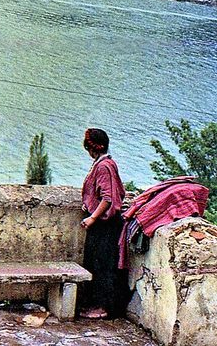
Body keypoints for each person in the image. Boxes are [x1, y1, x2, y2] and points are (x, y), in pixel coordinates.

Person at [78, 127, 126, 319]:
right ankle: (97, 305)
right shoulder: (105, 163)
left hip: (106, 226)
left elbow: (107, 198)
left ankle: (103, 308)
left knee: (102, 267)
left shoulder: (104, 167)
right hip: (105, 224)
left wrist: (92, 217)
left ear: (92, 148)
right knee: (97, 264)